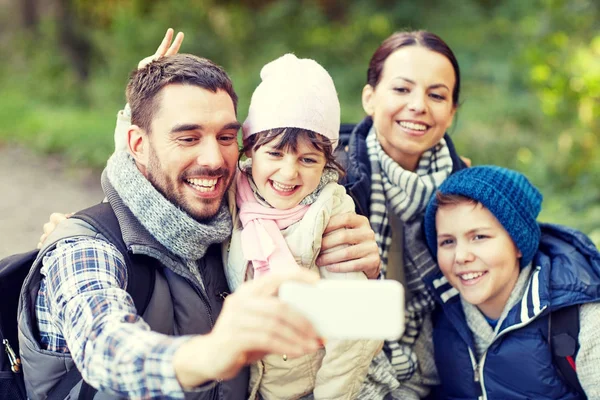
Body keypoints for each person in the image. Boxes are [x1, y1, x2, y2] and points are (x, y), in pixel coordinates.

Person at [21, 53, 379, 400]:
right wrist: (209, 354)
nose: (213, 160)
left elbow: (356, 328)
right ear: (137, 144)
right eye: (188, 138)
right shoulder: (85, 248)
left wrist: (365, 271)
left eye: (225, 138)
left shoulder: (231, 222)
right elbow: (104, 344)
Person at [224, 53, 382, 399]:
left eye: (308, 159)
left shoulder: (329, 214)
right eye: (275, 154)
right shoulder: (236, 193)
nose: (289, 173)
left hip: (308, 389)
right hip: (248, 384)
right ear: (249, 149)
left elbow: (356, 330)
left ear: (327, 162)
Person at [337, 30, 468, 398]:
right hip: (346, 375)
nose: (418, 106)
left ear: (452, 110)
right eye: (401, 89)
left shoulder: (466, 192)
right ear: (369, 97)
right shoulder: (330, 179)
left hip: (441, 372)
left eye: (436, 95)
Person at [422, 165, 600, 399]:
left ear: (518, 243)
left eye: (479, 237)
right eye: (447, 242)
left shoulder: (581, 318)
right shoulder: (437, 310)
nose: (461, 256)